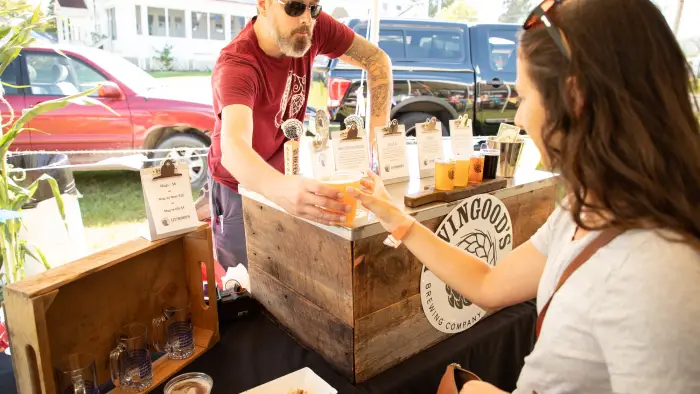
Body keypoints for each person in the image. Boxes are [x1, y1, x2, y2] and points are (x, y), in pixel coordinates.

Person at [348, 0, 700, 393]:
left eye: (524, 97)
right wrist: (402, 223)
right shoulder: (584, 209)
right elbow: (489, 283)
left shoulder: (661, 275)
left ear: (575, 97)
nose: (517, 118)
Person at [207, 0, 392, 269]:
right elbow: (233, 149)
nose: (306, 19)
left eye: (314, 8)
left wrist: (377, 148)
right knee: (245, 285)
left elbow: (377, 61)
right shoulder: (237, 64)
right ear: (264, 4)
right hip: (238, 189)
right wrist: (280, 188)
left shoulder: (311, 27)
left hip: (286, 179)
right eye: (294, 8)